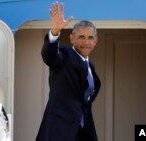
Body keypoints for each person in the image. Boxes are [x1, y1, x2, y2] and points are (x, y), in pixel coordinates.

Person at [36, 2, 101, 141]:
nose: (86, 42)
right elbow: (50, 57)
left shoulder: (91, 66)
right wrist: (54, 33)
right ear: (72, 38)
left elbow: (85, 100)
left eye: (90, 38)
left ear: (95, 41)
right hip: (59, 130)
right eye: (81, 37)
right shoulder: (65, 56)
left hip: (83, 130)